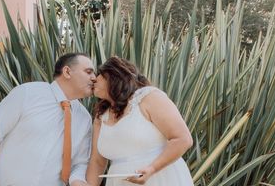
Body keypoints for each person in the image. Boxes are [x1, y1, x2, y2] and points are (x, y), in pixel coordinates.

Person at [0, 52, 97, 186]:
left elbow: (80, 163)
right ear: (67, 72)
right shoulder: (26, 94)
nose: (94, 78)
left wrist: (77, 180)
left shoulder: (84, 119)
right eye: (88, 72)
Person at [81, 56, 194, 186]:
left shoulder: (149, 97)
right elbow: (97, 161)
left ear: (113, 77)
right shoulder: (100, 116)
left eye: (99, 74)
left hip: (160, 179)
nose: (94, 78)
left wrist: (152, 169)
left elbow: (183, 139)